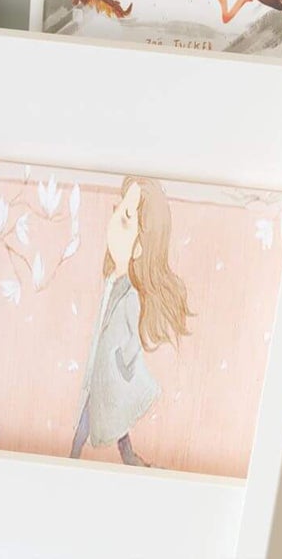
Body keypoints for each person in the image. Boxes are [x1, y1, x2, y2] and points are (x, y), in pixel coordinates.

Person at [70, 177, 192, 466]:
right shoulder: (113, 281)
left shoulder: (132, 296)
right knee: (105, 417)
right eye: (118, 210)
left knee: (100, 418)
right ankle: (117, 457)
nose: (114, 222)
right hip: (102, 372)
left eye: (125, 218)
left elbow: (134, 336)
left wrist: (122, 363)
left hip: (113, 374)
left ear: (139, 247)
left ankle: (75, 458)